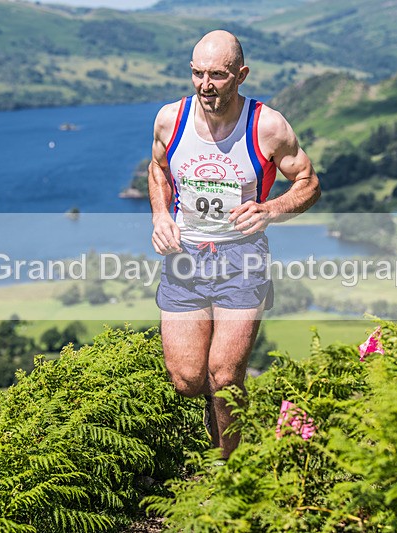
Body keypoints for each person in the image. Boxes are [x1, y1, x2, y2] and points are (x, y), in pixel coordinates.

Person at [148, 29, 320, 460]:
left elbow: (308, 183)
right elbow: (159, 170)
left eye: (218, 76)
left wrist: (271, 210)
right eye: (197, 74)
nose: (206, 85)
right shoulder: (171, 119)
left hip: (242, 260)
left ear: (240, 75)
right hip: (183, 258)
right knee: (189, 380)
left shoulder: (268, 126)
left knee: (224, 375)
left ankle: (230, 471)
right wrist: (160, 215)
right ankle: (227, 416)